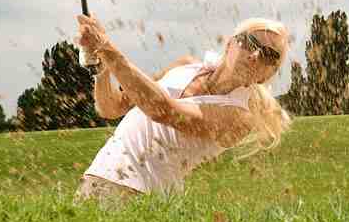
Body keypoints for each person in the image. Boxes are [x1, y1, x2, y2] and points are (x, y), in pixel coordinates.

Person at [73, 14, 291, 203]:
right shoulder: (185, 65)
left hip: (140, 197)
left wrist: (107, 48)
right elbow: (111, 108)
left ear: (267, 75)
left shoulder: (239, 117)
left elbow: (162, 110)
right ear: (230, 44)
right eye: (251, 43)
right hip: (98, 177)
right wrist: (99, 67)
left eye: (269, 55)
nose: (255, 56)